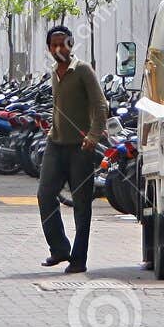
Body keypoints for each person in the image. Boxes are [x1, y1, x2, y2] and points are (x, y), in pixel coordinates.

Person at [36, 25, 108, 274]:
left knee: (81, 205)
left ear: (71, 44)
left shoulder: (83, 70)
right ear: (49, 48)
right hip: (55, 144)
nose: (59, 49)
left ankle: (79, 259)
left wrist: (93, 136)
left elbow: (100, 106)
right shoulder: (55, 72)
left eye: (63, 44)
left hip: (80, 148)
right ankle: (59, 249)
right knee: (45, 195)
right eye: (54, 45)